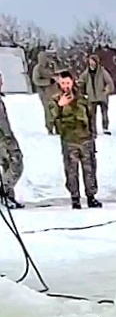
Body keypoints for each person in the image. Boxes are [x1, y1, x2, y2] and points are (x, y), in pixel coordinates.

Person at [51, 71, 100, 208]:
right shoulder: (55, 100)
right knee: (71, 171)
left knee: (89, 169)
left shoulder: (82, 98)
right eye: (63, 83)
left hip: (85, 138)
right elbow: (51, 121)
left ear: (72, 82)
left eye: (68, 82)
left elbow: (91, 117)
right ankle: (75, 198)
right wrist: (60, 107)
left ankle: (91, 196)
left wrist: (92, 134)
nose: (66, 86)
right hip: (69, 139)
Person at [0, 73, 25, 207]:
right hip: (4, 139)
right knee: (16, 164)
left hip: (6, 137)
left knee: (6, 165)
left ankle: (8, 196)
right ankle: (3, 190)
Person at [79, 52, 115, 135]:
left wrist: (107, 90)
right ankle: (92, 129)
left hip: (102, 96)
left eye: (93, 61)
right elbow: (81, 81)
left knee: (104, 113)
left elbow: (109, 82)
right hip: (91, 97)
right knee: (91, 115)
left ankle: (105, 128)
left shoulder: (102, 71)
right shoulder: (86, 73)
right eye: (90, 61)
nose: (91, 63)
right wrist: (81, 91)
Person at [31, 45, 61, 133]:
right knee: (48, 111)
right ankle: (50, 128)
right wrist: (48, 81)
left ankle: (58, 127)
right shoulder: (37, 68)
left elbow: (58, 73)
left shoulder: (51, 66)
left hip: (55, 91)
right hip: (44, 92)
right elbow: (36, 80)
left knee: (57, 109)